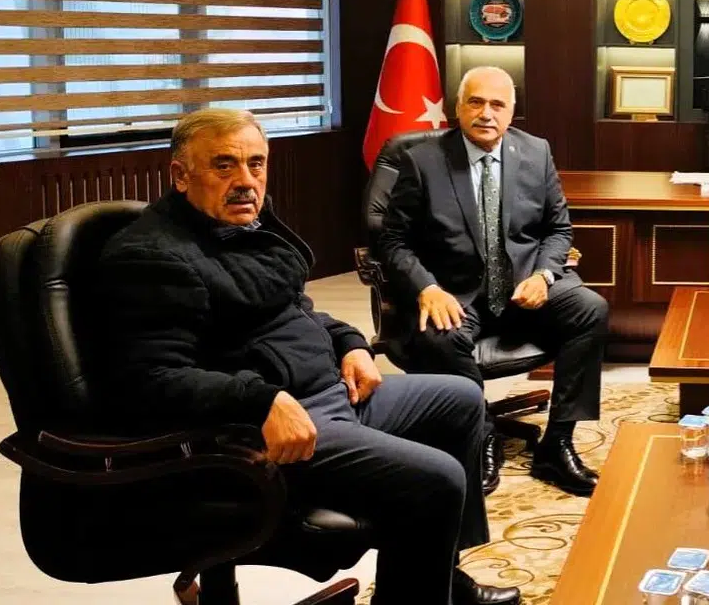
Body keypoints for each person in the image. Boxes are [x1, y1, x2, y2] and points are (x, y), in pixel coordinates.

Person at [94, 109, 520, 605]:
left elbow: (299, 312)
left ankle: (440, 577)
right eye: (224, 165)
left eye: (256, 163)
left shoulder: (245, 231)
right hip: (260, 430)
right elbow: (150, 378)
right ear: (181, 174)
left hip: (327, 394)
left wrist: (351, 344)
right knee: (437, 478)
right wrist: (262, 401)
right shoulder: (152, 255)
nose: (246, 181)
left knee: (461, 398)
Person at [377, 66, 607, 498]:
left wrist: (543, 275)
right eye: (476, 102)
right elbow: (392, 240)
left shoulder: (535, 152)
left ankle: (557, 444)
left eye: (497, 104)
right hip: (454, 292)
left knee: (590, 310)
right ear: (457, 107)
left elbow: (558, 229)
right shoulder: (422, 161)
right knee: (437, 338)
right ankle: (480, 437)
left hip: (524, 287)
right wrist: (427, 288)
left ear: (512, 112)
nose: (487, 113)